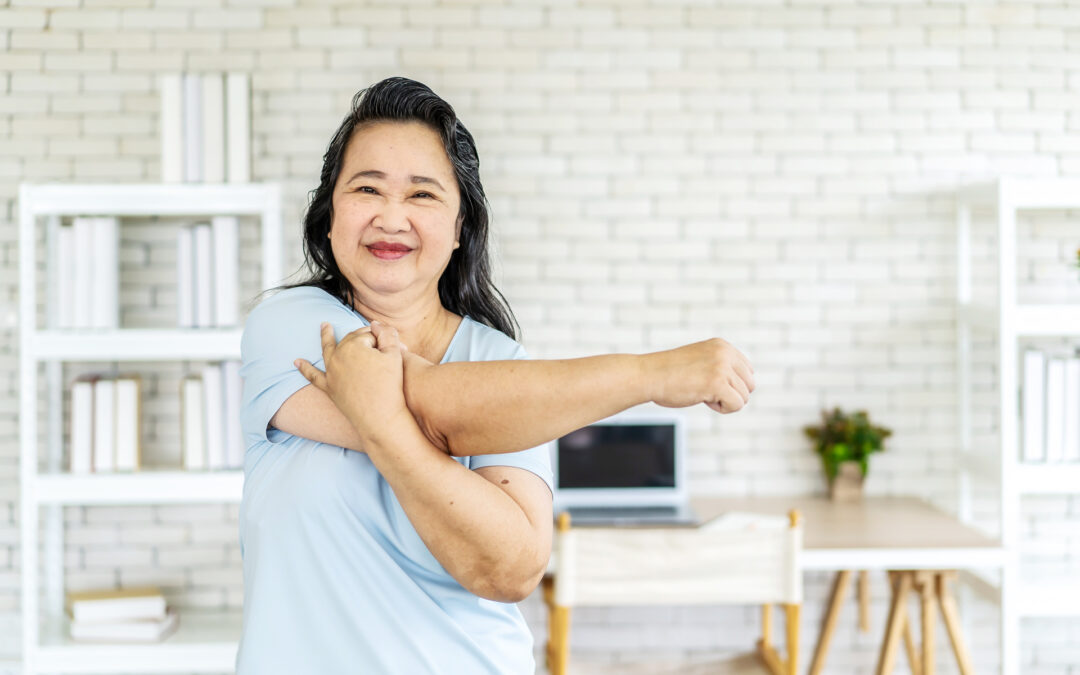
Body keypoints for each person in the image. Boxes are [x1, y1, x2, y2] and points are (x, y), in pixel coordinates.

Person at [236, 76, 755, 674]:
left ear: (459, 229)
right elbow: (437, 405)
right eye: (366, 188)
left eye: (423, 195)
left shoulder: (501, 364)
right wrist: (648, 375)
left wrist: (380, 421)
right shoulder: (290, 325)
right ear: (330, 216)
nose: (390, 215)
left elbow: (511, 569)